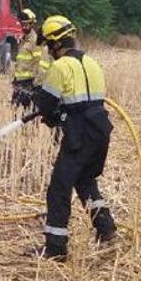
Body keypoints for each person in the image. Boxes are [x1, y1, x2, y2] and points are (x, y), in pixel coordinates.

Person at [29, 15, 117, 260]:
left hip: (80, 135)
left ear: (56, 44)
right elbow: (85, 100)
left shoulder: (60, 67)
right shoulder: (92, 63)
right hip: (101, 131)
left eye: (48, 45)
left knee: (59, 188)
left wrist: (51, 115)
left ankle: (55, 249)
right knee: (86, 180)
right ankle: (106, 229)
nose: (48, 51)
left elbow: (46, 106)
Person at [11, 9, 50, 108]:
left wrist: (36, 84)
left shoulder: (35, 41)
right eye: (22, 24)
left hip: (29, 83)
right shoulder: (24, 40)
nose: (24, 27)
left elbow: (39, 63)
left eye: (26, 24)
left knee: (26, 113)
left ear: (32, 24)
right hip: (20, 82)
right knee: (15, 110)